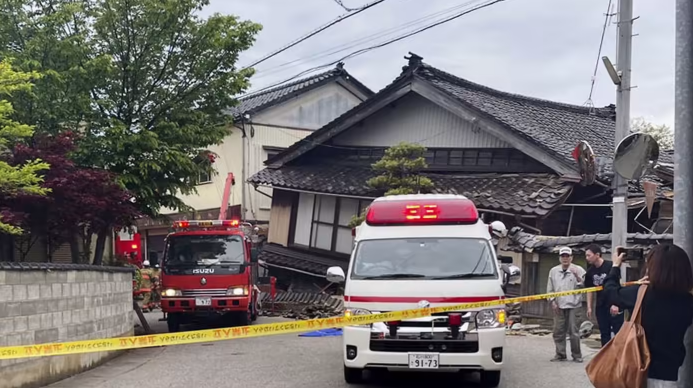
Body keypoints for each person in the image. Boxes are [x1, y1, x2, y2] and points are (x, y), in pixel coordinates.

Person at [604, 244, 693, 388]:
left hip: (636, 370)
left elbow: (610, 292)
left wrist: (615, 266)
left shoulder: (641, 293)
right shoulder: (688, 301)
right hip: (671, 373)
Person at [547, 246, 586, 363]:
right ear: (559, 258)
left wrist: (577, 276)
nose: (565, 258)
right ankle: (560, 354)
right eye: (563, 256)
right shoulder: (553, 271)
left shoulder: (579, 269)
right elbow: (550, 288)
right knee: (558, 331)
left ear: (571, 258)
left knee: (574, 331)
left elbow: (585, 286)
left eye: (567, 256)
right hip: (559, 305)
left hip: (574, 305)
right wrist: (552, 301)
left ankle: (577, 355)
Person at [583, 244, 624, 346]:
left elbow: (619, 285)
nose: (587, 258)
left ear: (597, 255)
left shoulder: (611, 266)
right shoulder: (590, 272)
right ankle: (605, 357)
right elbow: (589, 289)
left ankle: (620, 356)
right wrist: (589, 307)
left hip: (614, 303)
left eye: (589, 255)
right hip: (601, 305)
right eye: (586, 256)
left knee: (618, 331)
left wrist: (616, 303)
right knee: (604, 333)